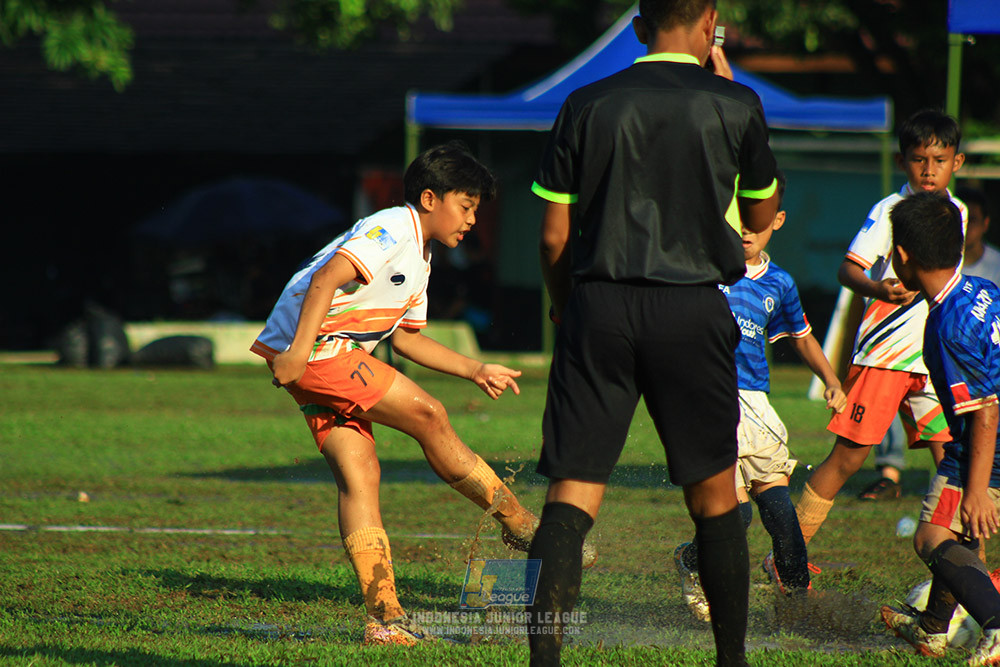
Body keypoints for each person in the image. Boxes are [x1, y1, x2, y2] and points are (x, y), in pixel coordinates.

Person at [525, 1, 780, 664]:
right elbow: (761, 213)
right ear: (710, 22)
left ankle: (543, 661)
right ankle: (731, 660)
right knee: (714, 495)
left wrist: (565, 309)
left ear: (639, 26)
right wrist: (723, 93)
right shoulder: (736, 103)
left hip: (598, 305)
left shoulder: (585, 103)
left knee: (571, 493)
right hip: (692, 308)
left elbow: (553, 236)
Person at [251, 142, 553, 646]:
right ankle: (517, 520)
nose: (473, 220)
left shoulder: (421, 256)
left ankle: (385, 619)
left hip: (321, 353)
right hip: (321, 350)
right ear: (430, 198)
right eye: (467, 206)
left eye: (477, 210)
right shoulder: (393, 226)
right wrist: (300, 352)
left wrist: (474, 369)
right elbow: (327, 278)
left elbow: (407, 338)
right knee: (429, 415)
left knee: (360, 474)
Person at [673, 171, 847, 621]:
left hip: (757, 406)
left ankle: (796, 600)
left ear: (779, 220)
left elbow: (804, 337)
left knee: (781, 515)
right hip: (709, 401)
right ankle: (691, 563)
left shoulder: (781, 284)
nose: (748, 227)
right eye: (740, 217)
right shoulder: (704, 267)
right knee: (736, 518)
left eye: (759, 217)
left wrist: (831, 379)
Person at [795, 109, 968, 548]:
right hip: (886, 357)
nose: (929, 170)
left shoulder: (959, 213)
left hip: (936, 359)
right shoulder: (890, 210)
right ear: (902, 161)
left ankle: (973, 568)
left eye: (939, 159)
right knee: (848, 459)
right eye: (918, 159)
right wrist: (878, 287)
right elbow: (846, 269)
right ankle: (786, 557)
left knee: (957, 458)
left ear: (957, 162)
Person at [878, 191, 1000, 666]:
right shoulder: (980, 289)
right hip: (977, 441)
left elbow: (986, 410)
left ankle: (995, 624)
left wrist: (976, 489)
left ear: (903, 256)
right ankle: (932, 629)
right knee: (960, 536)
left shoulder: (945, 324)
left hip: (983, 446)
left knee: (931, 537)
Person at [958, 185, 1000, 287]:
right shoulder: (937, 264)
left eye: (972, 220)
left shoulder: (997, 265)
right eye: (961, 219)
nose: (965, 226)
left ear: (985, 223)